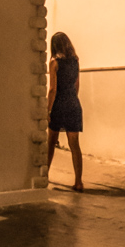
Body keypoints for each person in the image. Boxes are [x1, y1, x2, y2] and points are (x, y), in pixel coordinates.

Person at [47, 31, 84, 192]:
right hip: (73, 104)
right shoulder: (75, 61)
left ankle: (44, 175)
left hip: (59, 105)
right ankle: (78, 182)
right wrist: (72, 100)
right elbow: (76, 85)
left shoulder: (54, 62)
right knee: (74, 145)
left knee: (51, 142)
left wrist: (48, 109)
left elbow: (53, 89)